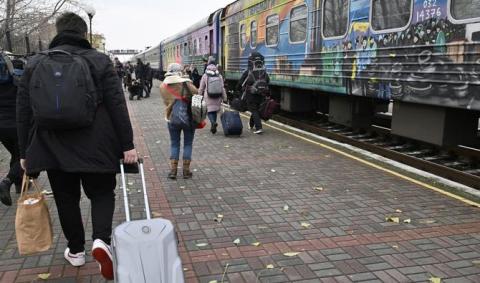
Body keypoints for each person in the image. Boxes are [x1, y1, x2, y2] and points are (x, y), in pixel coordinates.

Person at [16, 13, 138, 280]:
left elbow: (23, 111)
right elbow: (118, 105)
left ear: (57, 32)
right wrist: (127, 145)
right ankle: (101, 241)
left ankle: (75, 250)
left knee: (66, 199)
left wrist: (24, 152)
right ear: (84, 34)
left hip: (52, 147)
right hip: (98, 144)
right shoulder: (99, 60)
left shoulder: (36, 63)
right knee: (102, 193)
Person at [159, 63, 198, 179]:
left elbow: (166, 102)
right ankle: (186, 171)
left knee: (174, 144)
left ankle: (173, 171)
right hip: (188, 118)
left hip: (171, 118)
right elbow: (196, 92)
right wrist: (187, 80)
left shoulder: (163, 86)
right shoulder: (185, 83)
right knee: (187, 143)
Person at [0, 52, 23, 206]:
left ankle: (18, 185)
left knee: (15, 154)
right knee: (23, 156)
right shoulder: (16, 80)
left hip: (1, 128)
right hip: (17, 125)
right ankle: (7, 182)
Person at [236, 51, 270, 134]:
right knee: (256, 110)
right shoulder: (264, 71)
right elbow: (268, 81)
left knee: (254, 110)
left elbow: (240, 83)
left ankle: (259, 128)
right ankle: (251, 125)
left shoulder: (248, 71)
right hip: (261, 94)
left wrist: (238, 89)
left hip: (251, 94)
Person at [198, 60, 227, 134]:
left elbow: (201, 87)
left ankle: (213, 123)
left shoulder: (205, 75)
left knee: (209, 111)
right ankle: (213, 126)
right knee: (214, 110)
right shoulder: (219, 75)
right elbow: (222, 87)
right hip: (218, 96)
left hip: (208, 96)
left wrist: (199, 95)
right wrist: (225, 97)